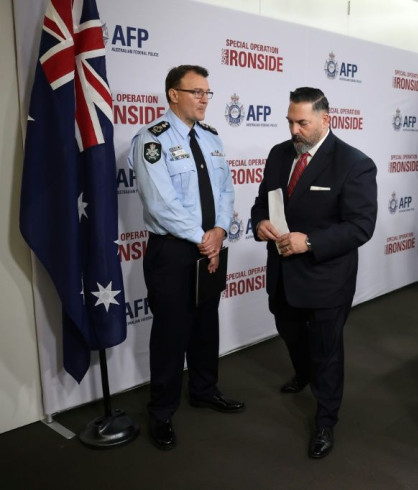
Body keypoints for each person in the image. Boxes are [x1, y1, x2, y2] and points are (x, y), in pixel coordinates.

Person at [251, 87, 377, 459]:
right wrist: (259, 223)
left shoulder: (354, 163)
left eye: (302, 122)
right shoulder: (278, 154)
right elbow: (263, 201)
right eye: (290, 121)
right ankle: (302, 373)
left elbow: (361, 226)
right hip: (282, 273)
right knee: (289, 331)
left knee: (327, 351)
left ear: (326, 119)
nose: (294, 130)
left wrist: (311, 243)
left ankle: (325, 419)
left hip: (326, 277)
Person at [129, 65, 243, 450]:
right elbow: (161, 203)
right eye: (197, 92)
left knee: (205, 322)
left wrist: (220, 231)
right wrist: (203, 239)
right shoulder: (152, 140)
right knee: (170, 331)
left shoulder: (211, 138)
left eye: (208, 93)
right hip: (175, 249)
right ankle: (161, 410)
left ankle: (204, 389)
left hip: (210, 243)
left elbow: (226, 190)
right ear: (173, 94)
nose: (204, 99)